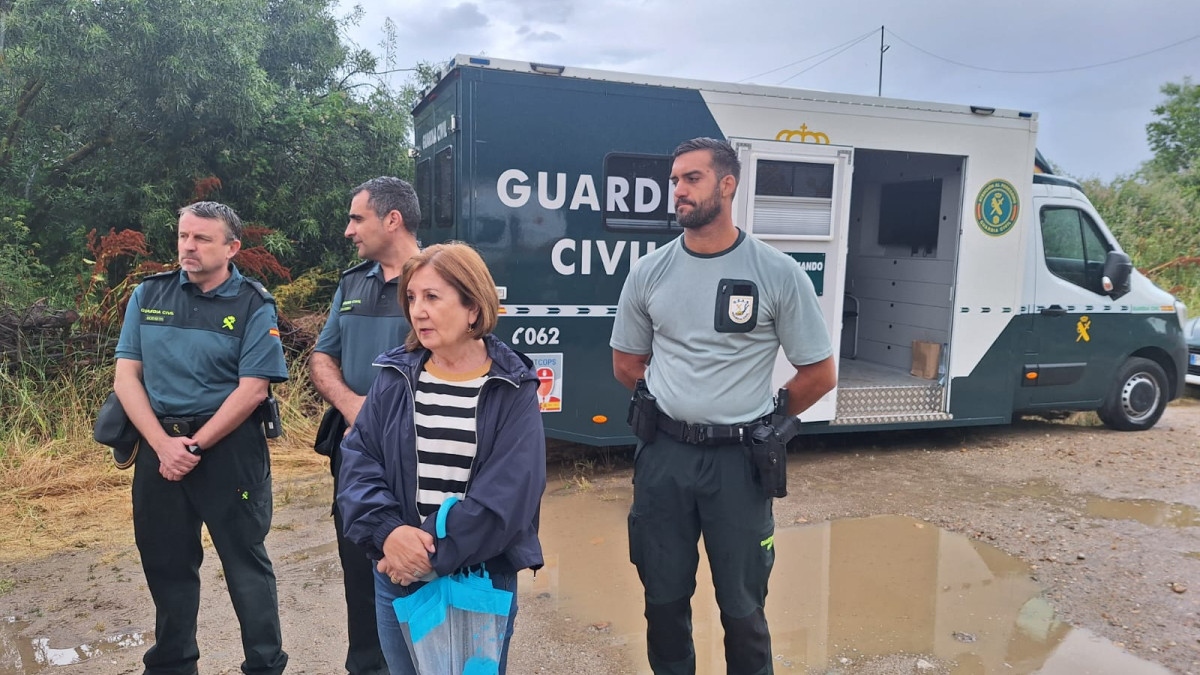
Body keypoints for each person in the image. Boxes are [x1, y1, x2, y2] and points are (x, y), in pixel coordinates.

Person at [610, 138, 837, 675]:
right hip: (664, 458)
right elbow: (626, 364)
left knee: (742, 608)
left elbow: (819, 374)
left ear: (727, 185)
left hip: (739, 465)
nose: (679, 191)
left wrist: (768, 418)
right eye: (675, 181)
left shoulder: (777, 273)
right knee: (662, 601)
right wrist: (674, 399)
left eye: (692, 179)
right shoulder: (649, 272)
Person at [335, 242, 546, 674]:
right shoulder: (395, 377)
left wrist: (426, 555)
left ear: (473, 307)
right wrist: (389, 534)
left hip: (478, 576)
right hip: (396, 576)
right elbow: (358, 461)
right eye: (412, 298)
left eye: (432, 297)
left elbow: (510, 494)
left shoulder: (513, 386)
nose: (417, 311)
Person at [112, 201, 289, 675]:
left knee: (245, 563)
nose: (188, 247)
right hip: (159, 448)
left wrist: (194, 446)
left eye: (202, 238)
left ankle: (265, 665)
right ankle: (172, 665)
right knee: (166, 565)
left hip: (227, 450)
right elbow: (126, 378)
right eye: (183, 236)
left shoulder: (253, 303)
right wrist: (162, 444)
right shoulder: (148, 295)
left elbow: (253, 390)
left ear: (232, 247)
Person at [309, 177, 422, 675]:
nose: (349, 229)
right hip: (355, 451)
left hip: (422, 452)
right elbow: (321, 358)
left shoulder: (441, 277)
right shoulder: (352, 283)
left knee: (419, 567)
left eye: (358, 218)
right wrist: (355, 408)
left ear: (391, 220)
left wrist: (379, 421)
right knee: (360, 567)